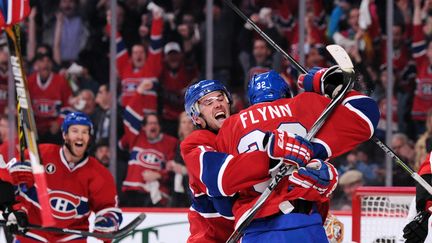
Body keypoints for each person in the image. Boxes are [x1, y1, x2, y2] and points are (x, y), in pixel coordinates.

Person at [213, 68, 379, 241]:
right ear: (286, 91)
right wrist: (329, 87)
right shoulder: (305, 103)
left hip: (256, 229)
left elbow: (222, 200)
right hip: (304, 221)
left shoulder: (230, 127)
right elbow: (366, 117)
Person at [6, 112, 122, 242]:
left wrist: (108, 220)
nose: (80, 136)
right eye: (75, 131)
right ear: (64, 135)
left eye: (85, 132)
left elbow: (108, 207)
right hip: (33, 232)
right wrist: (13, 178)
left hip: (71, 236)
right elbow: (4, 181)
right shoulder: (39, 154)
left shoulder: (99, 174)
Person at [120, 113, 178, 207]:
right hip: (130, 192)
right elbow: (121, 145)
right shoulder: (135, 137)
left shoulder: (170, 142)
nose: (153, 126)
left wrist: (159, 175)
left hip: (152, 196)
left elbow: (173, 168)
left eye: (156, 123)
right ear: (144, 127)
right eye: (150, 123)